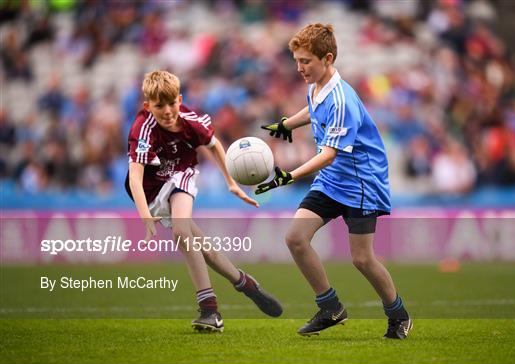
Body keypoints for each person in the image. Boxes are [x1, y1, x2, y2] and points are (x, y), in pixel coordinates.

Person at [257, 24, 411, 339]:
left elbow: (328, 154)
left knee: (362, 259)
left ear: (327, 59)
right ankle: (330, 308)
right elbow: (314, 109)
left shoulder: (342, 100)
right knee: (296, 238)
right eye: (297, 61)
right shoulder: (316, 84)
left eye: (306, 61)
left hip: (361, 183)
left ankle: (399, 315)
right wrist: (288, 123)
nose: (299, 68)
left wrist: (290, 176)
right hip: (333, 180)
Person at [126, 70, 282, 332]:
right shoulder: (143, 129)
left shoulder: (190, 121)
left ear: (180, 98)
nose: (167, 111)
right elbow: (134, 177)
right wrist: (144, 215)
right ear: (147, 106)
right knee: (204, 249)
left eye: (172, 103)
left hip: (181, 175)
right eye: (159, 106)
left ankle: (209, 311)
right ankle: (245, 283)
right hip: (152, 189)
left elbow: (214, 145)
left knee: (181, 231)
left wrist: (231, 182)